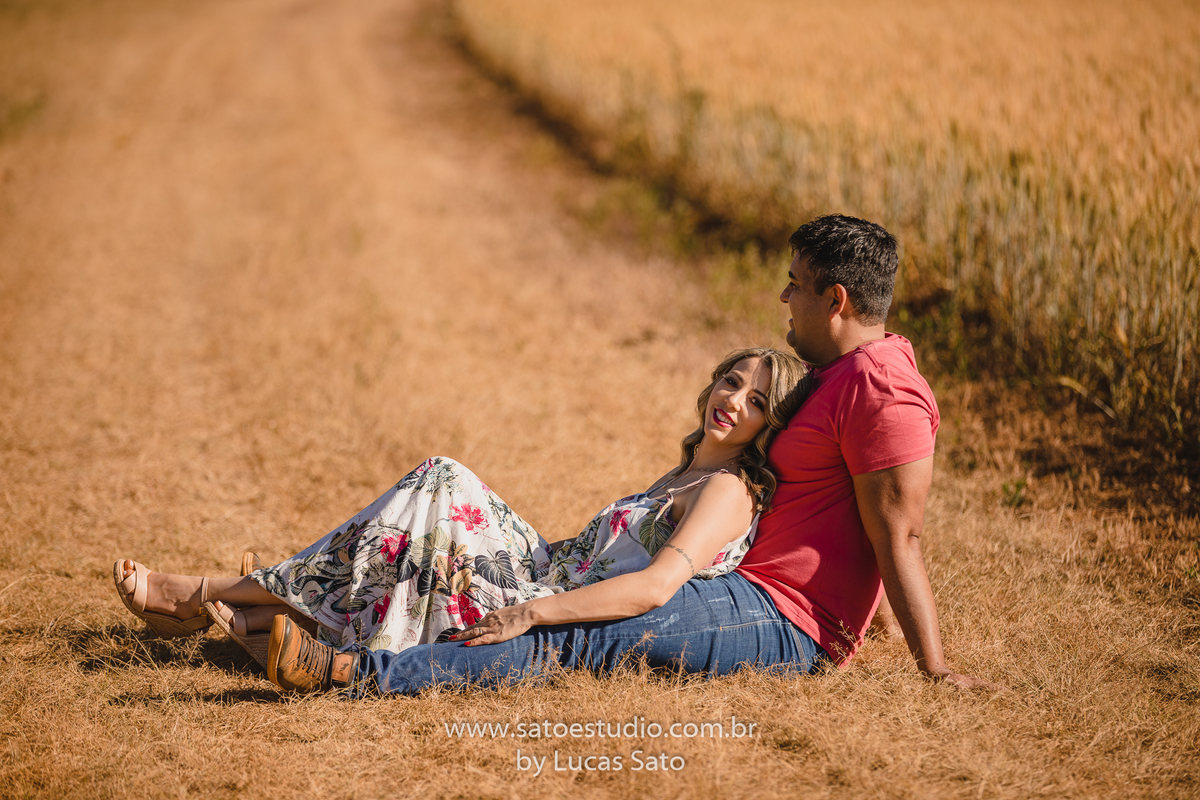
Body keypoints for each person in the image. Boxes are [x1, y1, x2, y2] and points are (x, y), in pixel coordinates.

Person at [247, 213, 997, 695]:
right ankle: (298, 620)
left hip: (781, 615)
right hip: (748, 578)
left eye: (796, 288)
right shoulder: (838, 375)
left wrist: (932, 666)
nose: (784, 300)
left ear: (836, 301)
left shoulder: (885, 390)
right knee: (539, 589)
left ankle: (353, 672)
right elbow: (854, 517)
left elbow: (897, 530)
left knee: (576, 634)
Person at [114, 347, 813, 679]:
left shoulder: (728, 489)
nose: (735, 401)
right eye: (731, 381)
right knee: (435, 495)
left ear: (770, 422)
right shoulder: (688, 469)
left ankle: (210, 595)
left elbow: (657, 588)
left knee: (429, 514)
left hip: (553, 597)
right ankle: (271, 606)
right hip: (549, 567)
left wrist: (534, 613)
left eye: (757, 401)